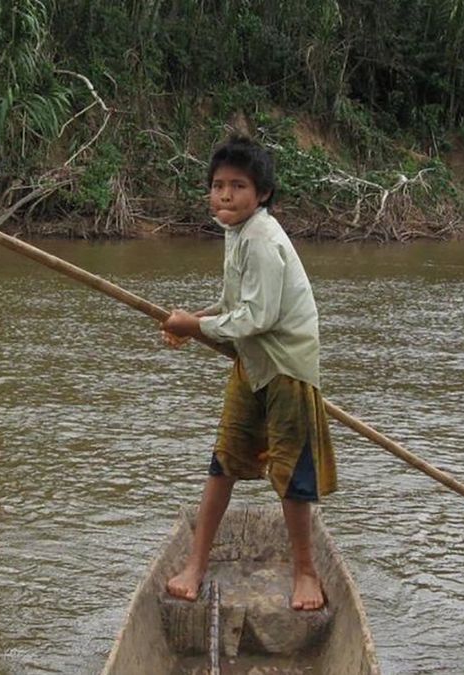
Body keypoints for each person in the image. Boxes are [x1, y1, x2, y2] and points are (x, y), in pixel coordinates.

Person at [161, 135, 337, 611]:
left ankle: (305, 571)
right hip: (252, 363)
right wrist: (193, 323)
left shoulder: (261, 238)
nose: (225, 195)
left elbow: (257, 317)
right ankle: (196, 564)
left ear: (262, 194)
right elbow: (233, 304)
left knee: (291, 473)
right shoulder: (235, 233)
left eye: (238, 186)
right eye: (218, 186)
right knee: (224, 461)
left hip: (286, 369)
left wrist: (196, 326)